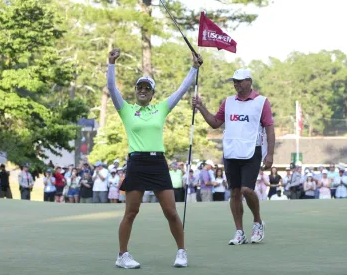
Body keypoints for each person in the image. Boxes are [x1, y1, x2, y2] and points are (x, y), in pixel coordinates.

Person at [107, 48, 203, 268]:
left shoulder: (160, 108)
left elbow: (181, 91)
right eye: (139, 87)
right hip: (137, 163)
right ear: (135, 91)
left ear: (152, 93)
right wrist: (111, 63)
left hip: (158, 163)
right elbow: (111, 88)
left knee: (170, 210)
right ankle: (122, 255)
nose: (142, 90)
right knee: (131, 212)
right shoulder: (126, 110)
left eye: (146, 88)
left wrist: (193, 68)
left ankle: (181, 252)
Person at [193, 68, 275, 245]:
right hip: (231, 152)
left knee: (247, 190)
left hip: (252, 151)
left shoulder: (262, 102)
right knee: (235, 192)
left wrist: (270, 154)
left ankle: (258, 222)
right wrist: (200, 107)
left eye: (239, 81)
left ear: (249, 81)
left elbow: (269, 127)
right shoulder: (228, 102)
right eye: (234, 81)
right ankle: (239, 231)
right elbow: (215, 123)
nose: (236, 84)